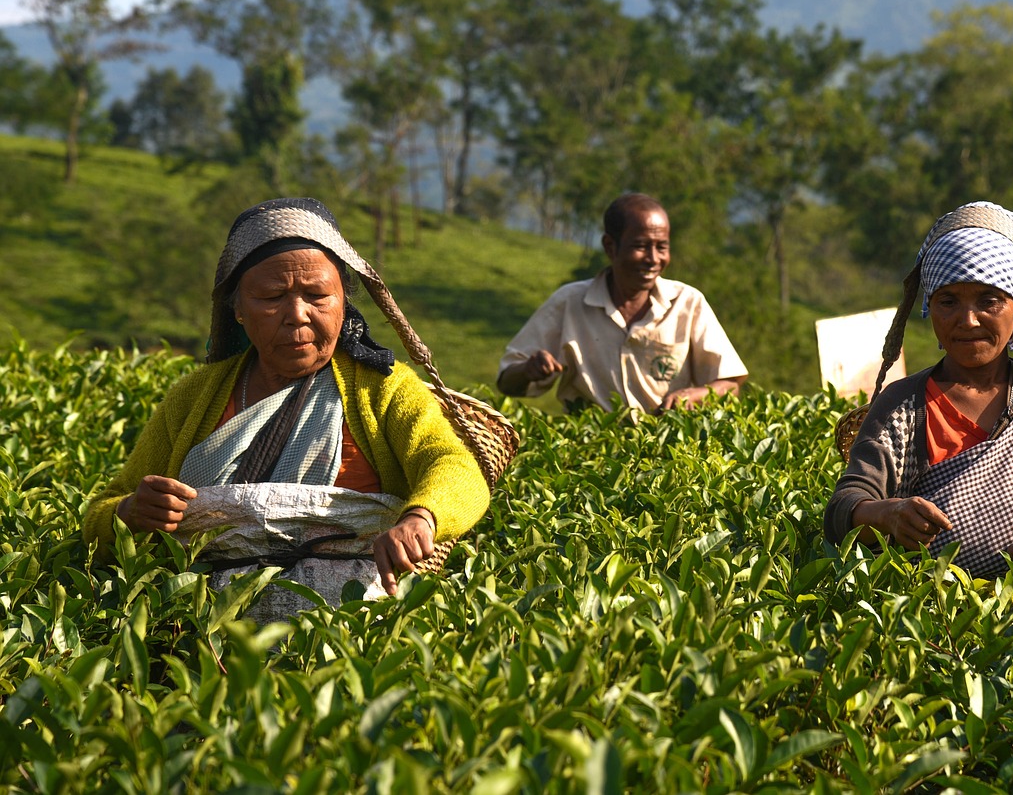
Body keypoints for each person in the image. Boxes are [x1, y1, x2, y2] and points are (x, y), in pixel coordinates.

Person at [82, 197, 491, 617]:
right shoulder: (194, 398)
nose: (297, 315)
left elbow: (453, 465)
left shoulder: (383, 389)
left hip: (346, 634)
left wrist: (421, 518)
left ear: (343, 302)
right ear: (238, 310)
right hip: (196, 633)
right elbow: (101, 513)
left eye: (317, 295)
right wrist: (130, 513)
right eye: (272, 296)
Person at [825, 201, 1013, 578]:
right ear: (930, 309)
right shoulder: (903, 405)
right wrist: (886, 514)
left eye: (989, 301)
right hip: (930, 623)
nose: (967, 320)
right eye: (948, 302)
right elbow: (844, 507)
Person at [497, 193, 747, 413]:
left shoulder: (688, 303)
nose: (653, 259)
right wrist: (528, 369)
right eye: (640, 246)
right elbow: (507, 382)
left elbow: (729, 385)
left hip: (668, 453)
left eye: (662, 247)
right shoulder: (569, 302)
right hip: (591, 451)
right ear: (610, 246)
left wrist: (694, 396)